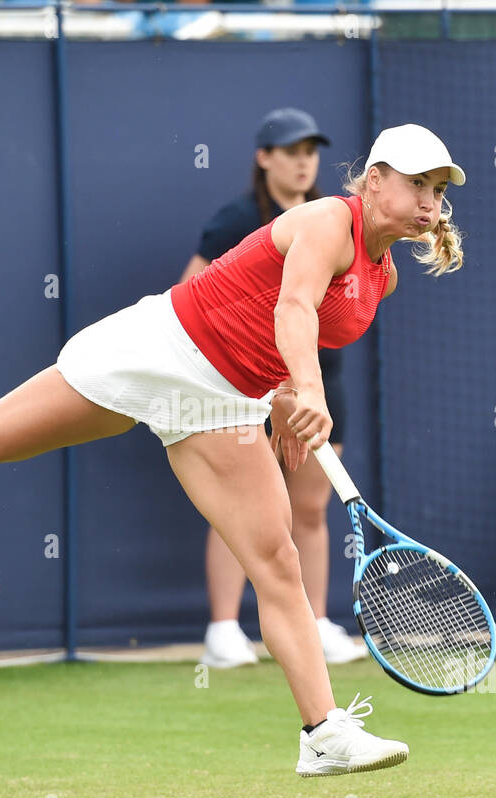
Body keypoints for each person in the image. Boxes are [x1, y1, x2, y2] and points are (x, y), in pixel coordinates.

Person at [0, 123, 465, 777]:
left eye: (437, 190)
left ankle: (322, 733)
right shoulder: (325, 221)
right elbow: (293, 306)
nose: (429, 202)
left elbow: (271, 326)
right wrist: (307, 388)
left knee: (277, 562)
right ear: (373, 180)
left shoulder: (383, 276)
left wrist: (280, 390)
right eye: (417, 184)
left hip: (222, 403)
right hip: (159, 348)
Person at [180, 107, 366, 669]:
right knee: (238, 509)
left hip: (316, 386)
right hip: (242, 384)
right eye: (290, 152)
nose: (303, 163)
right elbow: (192, 291)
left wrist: (303, 383)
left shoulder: (334, 222)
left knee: (308, 509)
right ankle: (222, 631)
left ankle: (316, 623)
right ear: (264, 159)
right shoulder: (236, 220)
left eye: (310, 152)